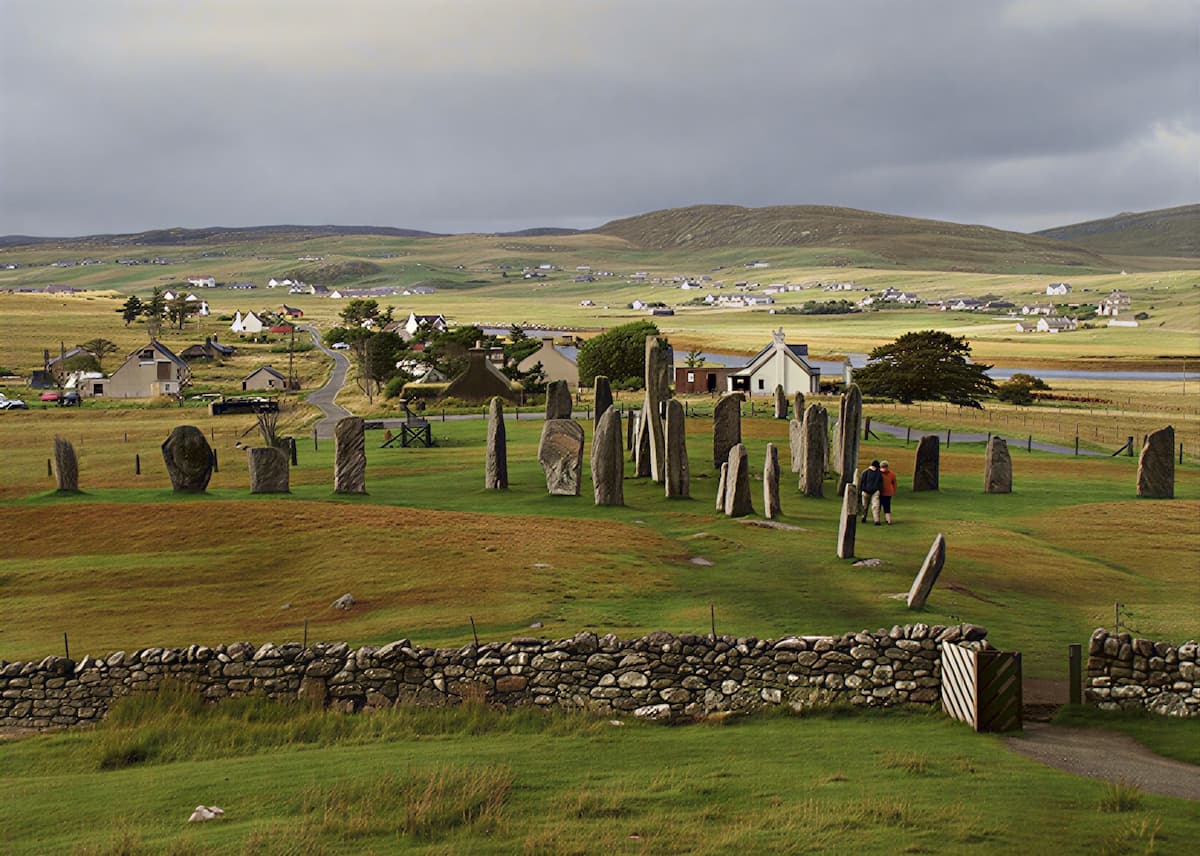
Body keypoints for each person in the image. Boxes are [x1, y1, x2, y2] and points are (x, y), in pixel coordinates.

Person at [859, 460, 883, 524]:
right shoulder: (866, 472)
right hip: (866, 492)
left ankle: (876, 520)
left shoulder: (877, 473)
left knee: (875, 506)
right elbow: (862, 482)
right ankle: (863, 517)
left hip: (874, 492)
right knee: (865, 506)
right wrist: (863, 490)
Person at [879, 460, 898, 524]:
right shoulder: (878, 473)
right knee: (878, 506)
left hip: (887, 493)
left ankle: (888, 520)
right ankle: (878, 519)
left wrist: (893, 491)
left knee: (887, 506)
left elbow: (894, 483)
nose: (884, 469)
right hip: (880, 492)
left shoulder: (892, 474)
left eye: (885, 467)